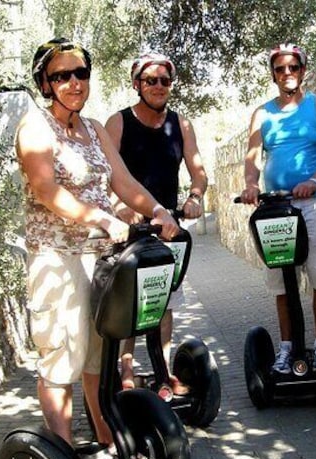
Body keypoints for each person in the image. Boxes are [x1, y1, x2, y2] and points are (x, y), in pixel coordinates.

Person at [15, 38, 179, 454]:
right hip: (57, 258)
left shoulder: (93, 130)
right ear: (46, 83)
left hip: (101, 258)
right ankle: (65, 457)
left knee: (98, 356)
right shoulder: (36, 127)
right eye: (62, 76)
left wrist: (159, 210)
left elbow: (123, 182)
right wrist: (101, 217)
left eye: (80, 73)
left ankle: (109, 443)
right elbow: (46, 189)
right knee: (62, 356)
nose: (74, 83)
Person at [104, 52, 208, 393]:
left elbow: (198, 172)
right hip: (130, 229)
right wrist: (120, 208)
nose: (159, 86)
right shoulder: (118, 123)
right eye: (151, 80)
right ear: (137, 85)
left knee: (164, 302)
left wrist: (194, 198)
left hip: (168, 227)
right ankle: (127, 372)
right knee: (132, 301)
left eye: (165, 80)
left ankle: (163, 373)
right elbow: (107, 174)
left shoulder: (181, 124)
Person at [240, 43, 316, 375]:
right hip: (278, 207)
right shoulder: (262, 114)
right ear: (273, 74)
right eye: (281, 69)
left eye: (293, 68)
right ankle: (286, 348)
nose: (287, 73)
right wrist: (252, 184)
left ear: (303, 71)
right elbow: (253, 156)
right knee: (282, 281)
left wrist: (314, 180)